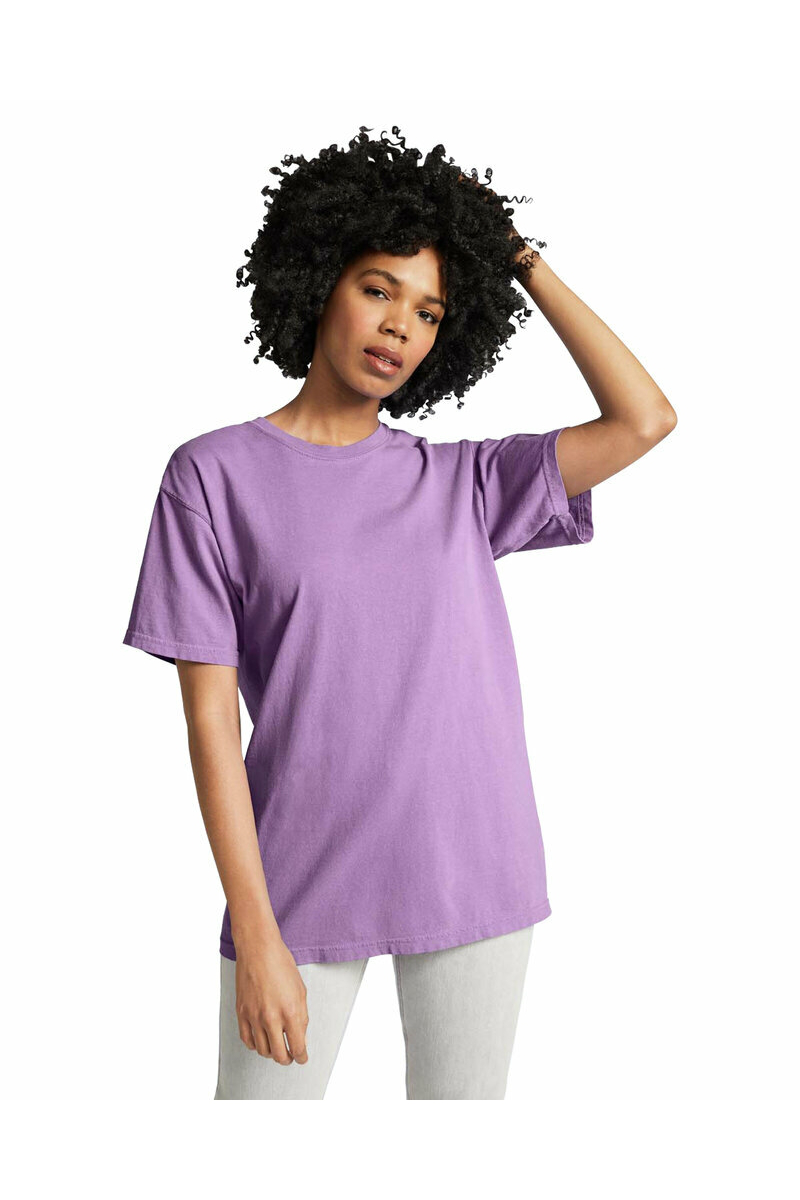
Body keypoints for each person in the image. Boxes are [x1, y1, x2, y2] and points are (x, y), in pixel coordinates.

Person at [122, 125, 677, 1100]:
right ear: (320, 279)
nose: (398, 329)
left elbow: (644, 418)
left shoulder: (464, 482)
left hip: (475, 868)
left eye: (428, 311)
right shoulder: (210, 477)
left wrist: (516, 258)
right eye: (378, 289)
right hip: (297, 881)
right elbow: (210, 725)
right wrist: (254, 931)